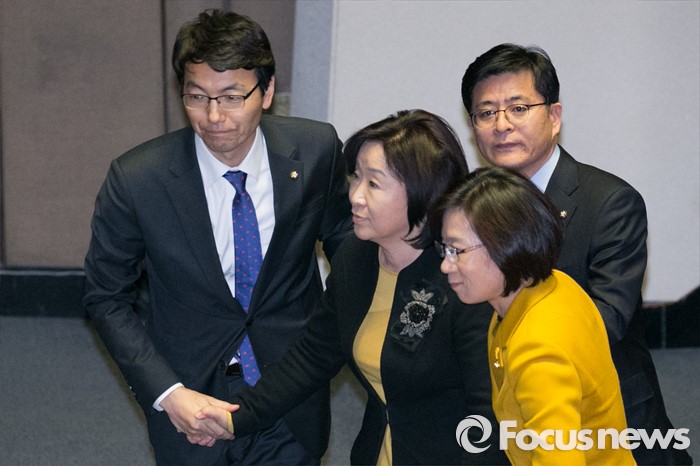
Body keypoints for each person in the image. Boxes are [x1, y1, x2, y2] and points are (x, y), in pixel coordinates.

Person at [83, 9, 352, 465]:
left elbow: (348, 244)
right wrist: (167, 393)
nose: (213, 116)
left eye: (231, 97)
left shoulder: (315, 151)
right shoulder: (138, 179)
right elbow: (106, 296)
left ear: (267, 91)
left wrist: (335, 332)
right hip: (189, 397)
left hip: (289, 392)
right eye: (197, 97)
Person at [198, 109, 509, 465]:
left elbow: (489, 416)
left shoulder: (463, 280)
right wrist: (234, 419)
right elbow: (314, 355)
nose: (355, 196)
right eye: (356, 177)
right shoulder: (357, 256)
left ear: (424, 194)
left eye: (374, 184)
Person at [461, 43, 692, 465]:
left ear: (554, 116)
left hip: (610, 429)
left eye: (518, 108)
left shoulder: (609, 202)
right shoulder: (469, 213)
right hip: (511, 423)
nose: (502, 124)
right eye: (486, 112)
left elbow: (605, 321)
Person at [433, 165, 636, 465]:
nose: (445, 265)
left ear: (504, 245)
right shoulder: (553, 285)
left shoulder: (537, 347)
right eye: (445, 249)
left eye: (457, 251)